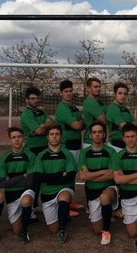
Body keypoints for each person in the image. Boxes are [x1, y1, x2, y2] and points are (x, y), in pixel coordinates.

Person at [33, 124, 77, 244]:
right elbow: (38, 177)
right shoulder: (41, 155)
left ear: (61, 137)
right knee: (53, 229)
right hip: (47, 194)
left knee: (63, 200)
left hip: (64, 189)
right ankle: (63, 215)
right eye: (51, 134)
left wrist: (48, 179)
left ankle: (62, 230)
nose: (54, 137)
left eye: (57, 134)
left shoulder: (67, 154)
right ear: (47, 137)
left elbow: (71, 176)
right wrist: (60, 174)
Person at [78, 122, 119, 245]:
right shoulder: (84, 152)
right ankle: (104, 213)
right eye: (94, 132)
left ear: (104, 134)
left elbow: (112, 175)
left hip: (108, 188)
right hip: (91, 192)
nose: (97, 135)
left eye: (100, 132)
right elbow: (82, 176)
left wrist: (91, 175)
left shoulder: (111, 152)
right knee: (96, 230)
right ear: (90, 135)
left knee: (105, 197)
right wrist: (103, 172)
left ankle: (107, 232)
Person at [0, 126, 36, 245]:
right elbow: (2, 183)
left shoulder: (30, 156)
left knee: (26, 201)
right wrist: (22, 176)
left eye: (19, 137)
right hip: (11, 195)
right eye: (13, 137)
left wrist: (13, 181)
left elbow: (30, 181)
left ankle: (25, 231)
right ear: (10, 140)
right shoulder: (4, 158)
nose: (17, 140)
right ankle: (25, 217)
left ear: (23, 138)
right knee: (16, 230)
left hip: (26, 190)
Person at [20, 86, 53, 212]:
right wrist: (44, 127)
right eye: (32, 98)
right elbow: (39, 130)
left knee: (41, 179)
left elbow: (52, 123)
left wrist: (41, 128)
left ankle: (36, 205)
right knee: (32, 179)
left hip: (44, 148)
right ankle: (29, 207)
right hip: (32, 150)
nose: (35, 101)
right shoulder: (26, 114)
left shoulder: (41, 111)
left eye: (37, 98)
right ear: (26, 100)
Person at [55, 79, 85, 214]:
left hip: (76, 144)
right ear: (61, 93)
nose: (68, 93)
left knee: (73, 174)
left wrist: (79, 123)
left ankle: (70, 201)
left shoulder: (73, 107)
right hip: (67, 145)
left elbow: (82, 125)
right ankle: (63, 205)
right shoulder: (62, 108)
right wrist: (79, 122)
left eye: (70, 91)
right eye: (66, 91)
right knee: (67, 174)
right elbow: (78, 125)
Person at [106, 82, 133, 152]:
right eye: (120, 93)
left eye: (125, 94)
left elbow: (133, 126)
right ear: (115, 94)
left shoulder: (125, 109)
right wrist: (128, 125)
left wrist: (128, 125)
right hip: (116, 144)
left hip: (126, 143)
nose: (123, 96)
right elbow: (125, 127)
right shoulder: (113, 108)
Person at [82, 77, 107, 149]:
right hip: (90, 142)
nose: (98, 89)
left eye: (99, 86)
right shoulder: (90, 102)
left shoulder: (98, 102)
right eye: (95, 87)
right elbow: (104, 120)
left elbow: (108, 117)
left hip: (100, 140)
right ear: (89, 88)